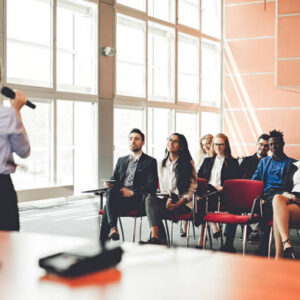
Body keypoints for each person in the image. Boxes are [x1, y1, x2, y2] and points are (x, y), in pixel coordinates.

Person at [99, 128, 158, 242]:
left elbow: (152, 185)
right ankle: (113, 228)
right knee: (111, 192)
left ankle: (103, 241)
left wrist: (132, 192)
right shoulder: (121, 160)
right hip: (120, 199)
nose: (133, 141)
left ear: (143, 143)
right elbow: (114, 180)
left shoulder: (150, 161)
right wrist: (109, 184)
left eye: (136, 139)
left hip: (137, 200)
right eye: (130, 139)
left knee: (107, 208)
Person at [140, 133, 197, 245]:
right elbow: (164, 188)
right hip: (169, 201)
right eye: (169, 140)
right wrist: (168, 200)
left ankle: (160, 240)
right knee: (149, 200)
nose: (171, 143)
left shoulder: (188, 164)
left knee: (153, 211)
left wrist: (177, 204)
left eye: (175, 141)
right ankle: (156, 238)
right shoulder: (161, 164)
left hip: (184, 204)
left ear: (181, 146)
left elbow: (192, 190)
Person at [252, 130, 296, 256]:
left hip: (282, 196)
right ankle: (283, 244)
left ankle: (265, 244)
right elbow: (255, 181)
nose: (273, 147)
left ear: (283, 144)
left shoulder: (292, 163)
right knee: (266, 205)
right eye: (271, 144)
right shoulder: (264, 162)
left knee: (270, 207)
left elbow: (292, 186)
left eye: (276, 144)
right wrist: (257, 195)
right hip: (266, 195)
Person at [0, 59, 31, 231]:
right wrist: (17, 111)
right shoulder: (6, 115)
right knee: (7, 245)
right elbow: (24, 151)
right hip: (1, 188)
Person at [197, 133, 240, 249]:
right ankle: (203, 236)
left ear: (226, 145)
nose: (218, 147)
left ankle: (227, 243)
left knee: (235, 207)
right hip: (209, 193)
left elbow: (236, 182)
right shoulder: (207, 161)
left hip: (224, 193)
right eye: (215, 144)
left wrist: (223, 188)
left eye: (221, 144)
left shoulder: (233, 162)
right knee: (203, 198)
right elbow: (199, 179)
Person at [180, 134, 213, 238]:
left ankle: (185, 225)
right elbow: (197, 176)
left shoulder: (216, 159)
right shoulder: (203, 159)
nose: (206, 147)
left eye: (208, 143)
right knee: (187, 192)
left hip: (212, 190)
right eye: (203, 145)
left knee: (195, 196)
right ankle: (185, 224)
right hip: (200, 188)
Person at [240, 133, 269, 242]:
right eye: (261, 144)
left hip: (264, 193)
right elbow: (239, 179)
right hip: (247, 192)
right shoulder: (246, 161)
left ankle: (255, 230)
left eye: (266, 146)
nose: (263, 148)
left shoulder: (271, 161)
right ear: (256, 144)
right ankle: (254, 229)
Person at [272, 161, 300, 259]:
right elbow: (285, 186)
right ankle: (286, 240)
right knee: (277, 198)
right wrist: (287, 194)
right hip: (293, 198)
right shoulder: (295, 165)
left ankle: (279, 257)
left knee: (277, 215)